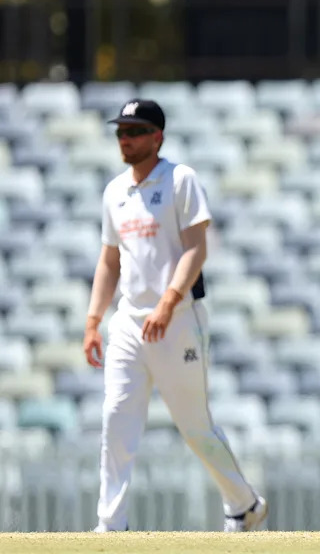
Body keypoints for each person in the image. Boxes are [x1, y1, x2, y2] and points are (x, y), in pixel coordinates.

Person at [82, 99, 267, 532]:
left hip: (179, 318)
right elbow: (110, 261)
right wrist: (93, 321)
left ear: (156, 136)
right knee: (115, 417)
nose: (124, 139)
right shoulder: (115, 191)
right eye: (120, 132)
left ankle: (244, 505)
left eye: (134, 131)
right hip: (129, 322)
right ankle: (111, 524)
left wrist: (167, 302)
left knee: (195, 427)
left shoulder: (180, 179)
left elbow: (196, 248)